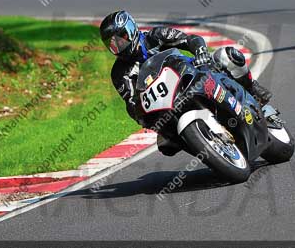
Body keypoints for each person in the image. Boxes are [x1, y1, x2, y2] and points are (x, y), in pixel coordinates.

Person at [99, 10, 272, 156]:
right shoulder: (120, 73)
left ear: (131, 30)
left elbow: (189, 40)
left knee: (228, 56)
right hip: (167, 105)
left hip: (193, 74)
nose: (118, 46)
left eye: (120, 39)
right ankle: (207, 147)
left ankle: (252, 88)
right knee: (165, 144)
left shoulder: (156, 36)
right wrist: (140, 114)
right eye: (112, 44)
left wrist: (200, 51)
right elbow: (130, 102)